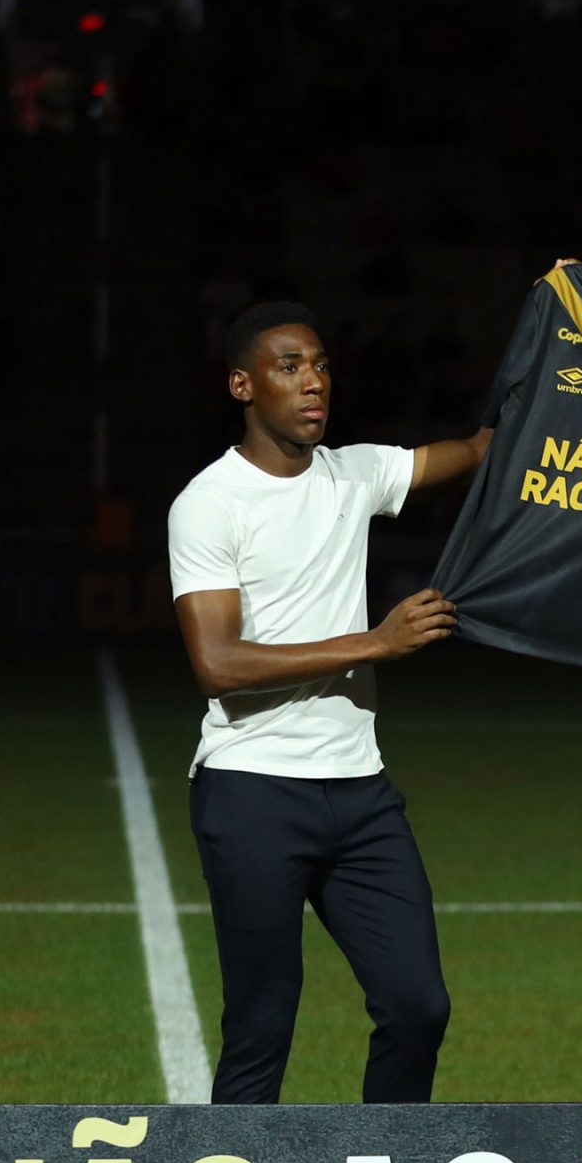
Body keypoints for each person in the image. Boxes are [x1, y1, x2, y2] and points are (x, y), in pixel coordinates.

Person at [166, 299, 492, 1104]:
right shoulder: (210, 503)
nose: (314, 383)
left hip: (360, 794)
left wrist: (564, 365)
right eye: (289, 367)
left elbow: (480, 452)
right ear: (243, 385)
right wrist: (375, 643)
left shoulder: (356, 473)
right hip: (252, 791)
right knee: (263, 1026)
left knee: (419, 1006)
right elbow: (217, 663)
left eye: (320, 366)